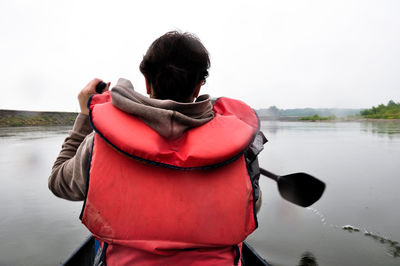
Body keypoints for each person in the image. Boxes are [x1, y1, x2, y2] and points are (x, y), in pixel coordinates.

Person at [49, 31, 266, 266]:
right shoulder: (239, 150)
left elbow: (58, 183)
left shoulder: (100, 143)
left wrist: (84, 115)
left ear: (146, 81)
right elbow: (253, 206)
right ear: (198, 86)